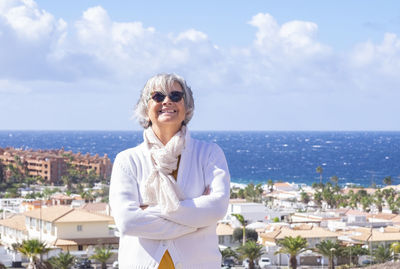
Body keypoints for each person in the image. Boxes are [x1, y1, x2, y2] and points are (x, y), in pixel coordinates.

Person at [109, 73, 230, 269]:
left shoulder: (209, 154)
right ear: (146, 108)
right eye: (158, 96)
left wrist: (148, 210)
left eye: (175, 96)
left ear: (187, 106)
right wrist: (197, 220)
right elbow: (128, 222)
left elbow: (216, 208)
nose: (167, 101)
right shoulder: (127, 160)